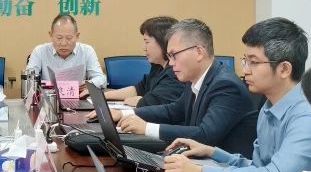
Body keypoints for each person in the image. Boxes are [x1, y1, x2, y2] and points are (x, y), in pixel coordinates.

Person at [163, 17, 311, 172]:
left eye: (253, 62)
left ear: (284, 69)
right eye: (245, 61)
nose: (245, 70)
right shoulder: (268, 108)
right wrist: (211, 152)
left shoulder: (307, 116)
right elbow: (257, 169)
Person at [110, 19, 256, 156]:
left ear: (199, 52)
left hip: (226, 168)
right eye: (169, 56)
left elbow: (205, 135)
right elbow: (174, 111)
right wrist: (125, 114)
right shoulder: (196, 78)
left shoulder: (226, 85)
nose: (171, 63)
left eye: (174, 55)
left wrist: (147, 128)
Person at [103, 16, 187, 107]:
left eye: (147, 42)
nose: (144, 48)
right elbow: (139, 89)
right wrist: (103, 96)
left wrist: (140, 101)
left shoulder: (176, 71)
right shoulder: (158, 66)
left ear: (163, 42)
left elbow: (154, 101)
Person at [23, 13, 107, 91]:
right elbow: (29, 79)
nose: (63, 43)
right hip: (49, 98)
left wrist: (87, 84)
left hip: (78, 97)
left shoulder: (87, 51)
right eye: (59, 38)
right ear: (50, 35)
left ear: (77, 36)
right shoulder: (40, 51)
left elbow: (101, 79)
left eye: (69, 38)